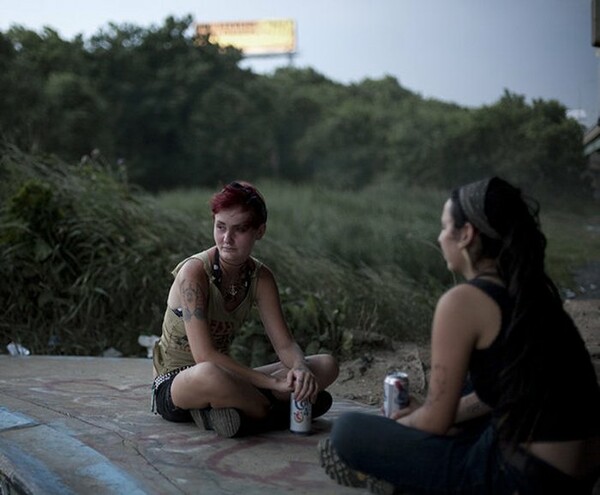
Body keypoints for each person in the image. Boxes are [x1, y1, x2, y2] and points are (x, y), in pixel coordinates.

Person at [319, 177, 600, 494]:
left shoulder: (463, 302)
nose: (439, 238)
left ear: (466, 235)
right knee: (469, 385)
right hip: (578, 475)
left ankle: (404, 478)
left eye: (444, 227)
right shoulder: (530, 294)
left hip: (523, 477)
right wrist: (434, 410)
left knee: (348, 431)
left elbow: (434, 423)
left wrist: (398, 428)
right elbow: (493, 392)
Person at [151, 180, 339, 437]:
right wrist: (272, 383)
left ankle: (235, 412)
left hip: (228, 377)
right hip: (178, 384)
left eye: (239, 230)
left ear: (259, 231)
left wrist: (299, 369)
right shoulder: (194, 273)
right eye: (220, 227)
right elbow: (204, 356)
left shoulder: (260, 278)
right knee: (210, 374)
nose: (227, 239)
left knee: (326, 365)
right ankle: (276, 412)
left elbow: (284, 346)